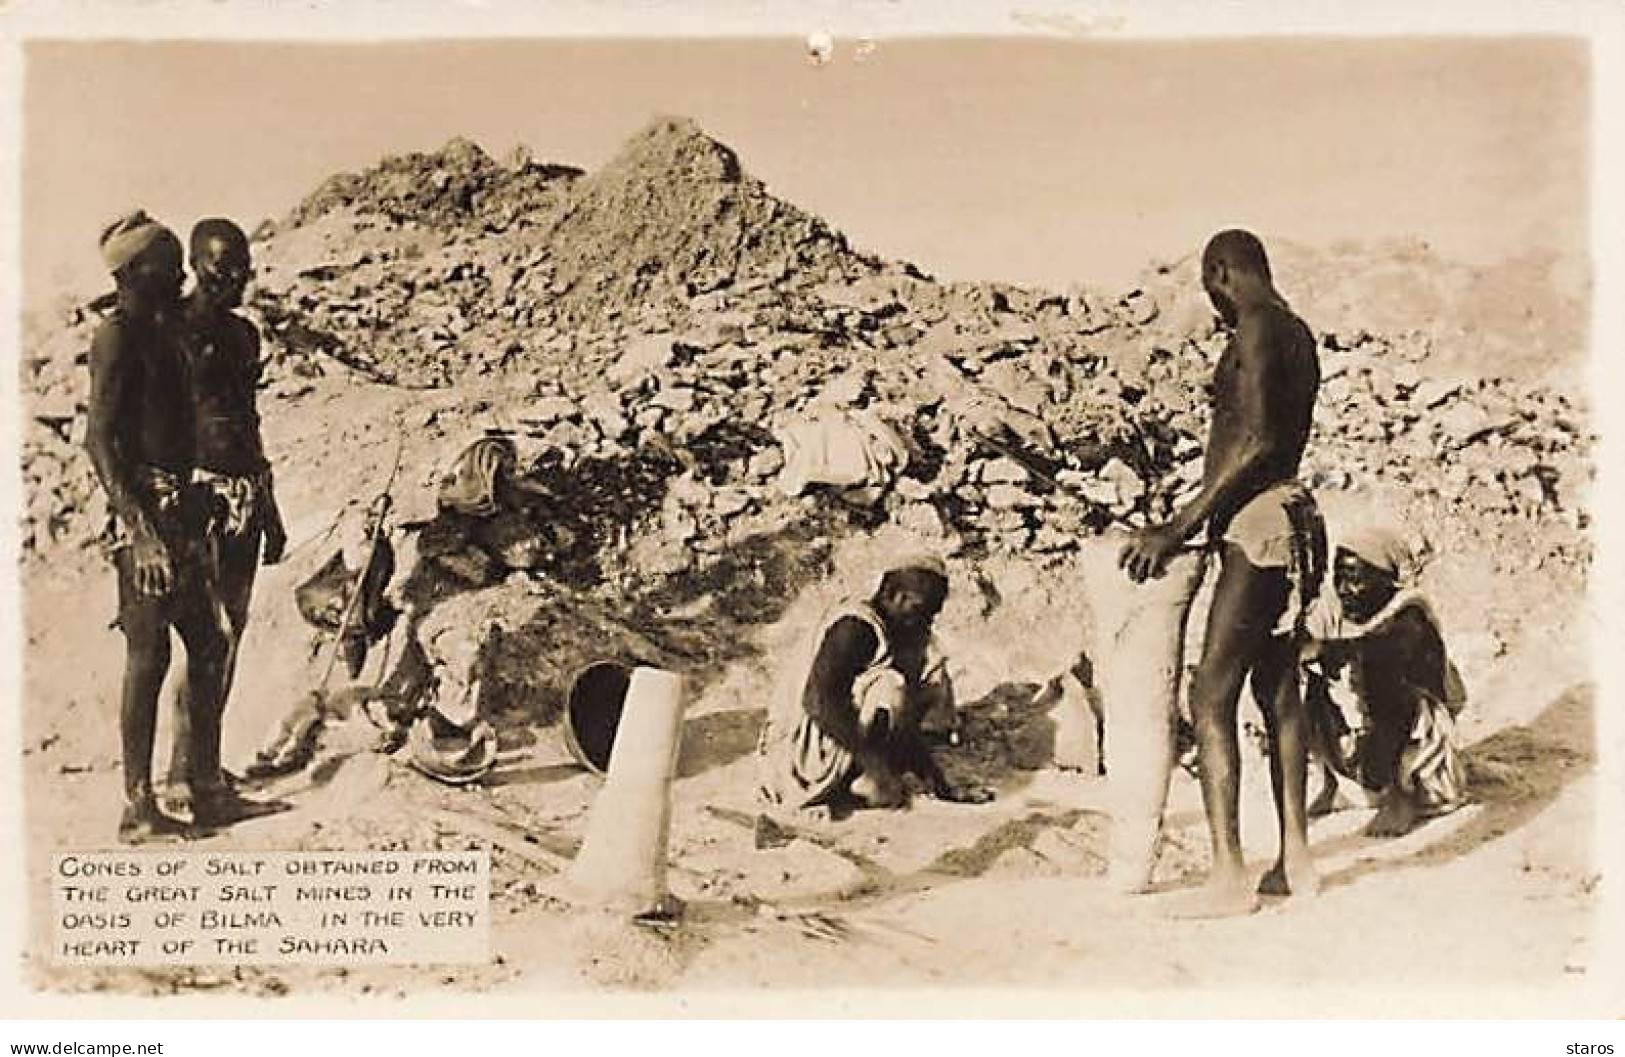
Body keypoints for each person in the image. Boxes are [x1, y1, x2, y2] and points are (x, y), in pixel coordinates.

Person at [1119, 229, 1325, 916]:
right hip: (1291, 516)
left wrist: (1175, 526)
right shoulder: (1296, 330)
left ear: (1220, 272)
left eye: (1211, 288)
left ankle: (1227, 875)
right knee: (1277, 684)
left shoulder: (1260, 327)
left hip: (1259, 525)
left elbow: (1259, 439)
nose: (1212, 305)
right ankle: (1295, 860)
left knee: (1210, 696)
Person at [84, 211, 273, 843]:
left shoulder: (160, 333)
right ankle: (138, 805)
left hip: (182, 510)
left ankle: (206, 790)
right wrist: (139, 531)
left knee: (212, 642)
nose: (178, 279)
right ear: (135, 273)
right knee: (149, 653)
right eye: (168, 269)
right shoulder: (115, 337)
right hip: (146, 519)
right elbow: (101, 443)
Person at [163, 219, 289, 803]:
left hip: (245, 492)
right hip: (197, 497)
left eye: (244, 266)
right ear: (195, 264)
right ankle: (183, 775)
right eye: (224, 267)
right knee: (203, 637)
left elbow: (249, 419)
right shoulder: (170, 330)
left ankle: (202, 770)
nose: (238, 278)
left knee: (230, 634)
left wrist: (270, 503)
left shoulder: (244, 336)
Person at [757, 556, 993, 813]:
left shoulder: (900, 629)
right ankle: (856, 783)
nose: (926, 621)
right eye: (921, 610)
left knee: (929, 677)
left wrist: (941, 786)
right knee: (888, 686)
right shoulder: (856, 628)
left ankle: (863, 776)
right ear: (893, 595)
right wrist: (875, 767)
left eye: (932, 615)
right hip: (796, 759)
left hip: (838, 744)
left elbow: (906, 718)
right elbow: (818, 702)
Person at [1301, 517, 1467, 837]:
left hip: (1417, 759)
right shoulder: (1335, 606)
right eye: (1339, 576)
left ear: (1386, 581)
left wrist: (1325, 650)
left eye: (1356, 579)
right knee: (1295, 675)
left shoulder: (1411, 614)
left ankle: (1400, 795)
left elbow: (1382, 649)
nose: (1345, 589)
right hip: (1360, 747)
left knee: (1380, 670)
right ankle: (1337, 783)